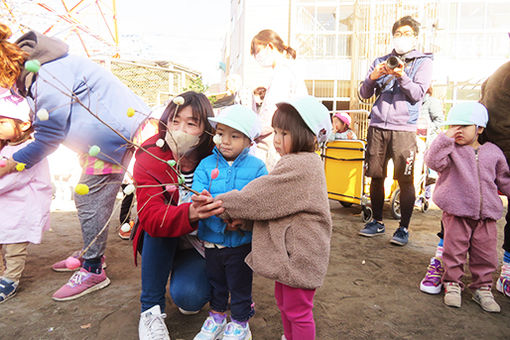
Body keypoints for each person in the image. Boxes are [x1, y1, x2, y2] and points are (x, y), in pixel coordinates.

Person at [0, 23, 149, 300]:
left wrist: (11, 164)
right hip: (101, 141)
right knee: (91, 198)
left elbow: (49, 137)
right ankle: (93, 253)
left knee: (89, 197)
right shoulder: (38, 68)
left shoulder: (45, 75)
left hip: (113, 137)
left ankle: (93, 268)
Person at [192, 95, 333, 340]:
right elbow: (277, 208)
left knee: (298, 311)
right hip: (292, 252)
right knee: (285, 303)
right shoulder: (296, 162)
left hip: (301, 253)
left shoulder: (301, 166)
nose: (277, 140)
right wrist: (245, 222)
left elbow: (260, 198)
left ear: (310, 136)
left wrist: (220, 203)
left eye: (285, 134)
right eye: (276, 132)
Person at [419, 62, 510, 298]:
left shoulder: (493, 152)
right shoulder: (451, 151)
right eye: (453, 125)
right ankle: (452, 283)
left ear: (479, 128)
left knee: (485, 254)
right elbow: (432, 161)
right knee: (453, 250)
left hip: (486, 215)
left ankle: (483, 288)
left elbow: (504, 179)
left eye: (463, 126)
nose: (457, 130)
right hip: (456, 212)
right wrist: (444, 138)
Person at [133, 91, 219, 340]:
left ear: (206, 131)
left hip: (199, 243)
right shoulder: (150, 154)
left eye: (191, 123)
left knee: (189, 300)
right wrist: (190, 212)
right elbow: (150, 216)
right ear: (165, 122)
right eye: (175, 120)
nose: (180, 129)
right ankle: (149, 310)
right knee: (158, 221)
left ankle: (190, 276)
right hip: (161, 240)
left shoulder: (218, 159)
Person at [192, 105, 267, 340]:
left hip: (241, 242)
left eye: (234, 136)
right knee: (216, 282)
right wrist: (203, 200)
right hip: (212, 239)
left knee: (240, 283)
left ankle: (240, 322)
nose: (225, 141)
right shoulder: (205, 165)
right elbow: (196, 195)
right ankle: (216, 316)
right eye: (221, 133)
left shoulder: (257, 168)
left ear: (248, 141)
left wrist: (244, 220)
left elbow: (261, 202)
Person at [358, 16, 433, 246]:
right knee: (376, 176)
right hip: (378, 126)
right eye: (398, 33)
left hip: (404, 129)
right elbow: (363, 94)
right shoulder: (381, 60)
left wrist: (402, 76)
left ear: (415, 37)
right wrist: (374, 77)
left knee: (406, 179)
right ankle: (377, 221)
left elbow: (418, 94)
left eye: (407, 33)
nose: (402, 37)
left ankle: (403, 228)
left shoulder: (423, 62)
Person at [0, 92, 52, 303]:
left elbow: (15, 180)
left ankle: (10, 278)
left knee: (14, 246)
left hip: (21, 209)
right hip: (6, 208)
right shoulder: (7, 146)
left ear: (23, 125)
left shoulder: (29, 151)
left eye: (2, 122)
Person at [250, 29, 308, 170]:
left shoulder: (283, 72)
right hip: (286, 139)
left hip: (278, 142)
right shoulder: (287, 70)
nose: (257, 57)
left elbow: (271, 113)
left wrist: (251, 131)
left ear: (269, 47)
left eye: (257, 51)